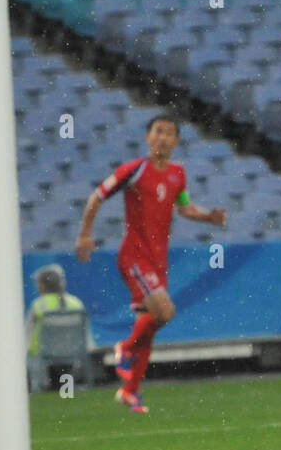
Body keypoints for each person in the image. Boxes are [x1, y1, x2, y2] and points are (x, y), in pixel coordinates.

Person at [76, 116, 226, 413]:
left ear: (176, 142)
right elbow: (97, 197)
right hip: (134, 256)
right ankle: (125, 348)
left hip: (158, 261)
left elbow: (184, 207)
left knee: (152, 324)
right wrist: (85, 235)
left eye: (170, 133)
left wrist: (209, 217)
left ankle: (130, 391)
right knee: (165, 311)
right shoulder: (134, 170)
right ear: (148, 137)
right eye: (158, 132)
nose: (163, 138)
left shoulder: (177, 174)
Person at [24, 264, 91, 383]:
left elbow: (26, 332)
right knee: (66, 390)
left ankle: (40, 387)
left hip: (42, 355)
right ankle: (67, 392)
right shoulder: (75, 303)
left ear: (42, 285)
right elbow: (85, 333)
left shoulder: (39, 305)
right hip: (72, 354)